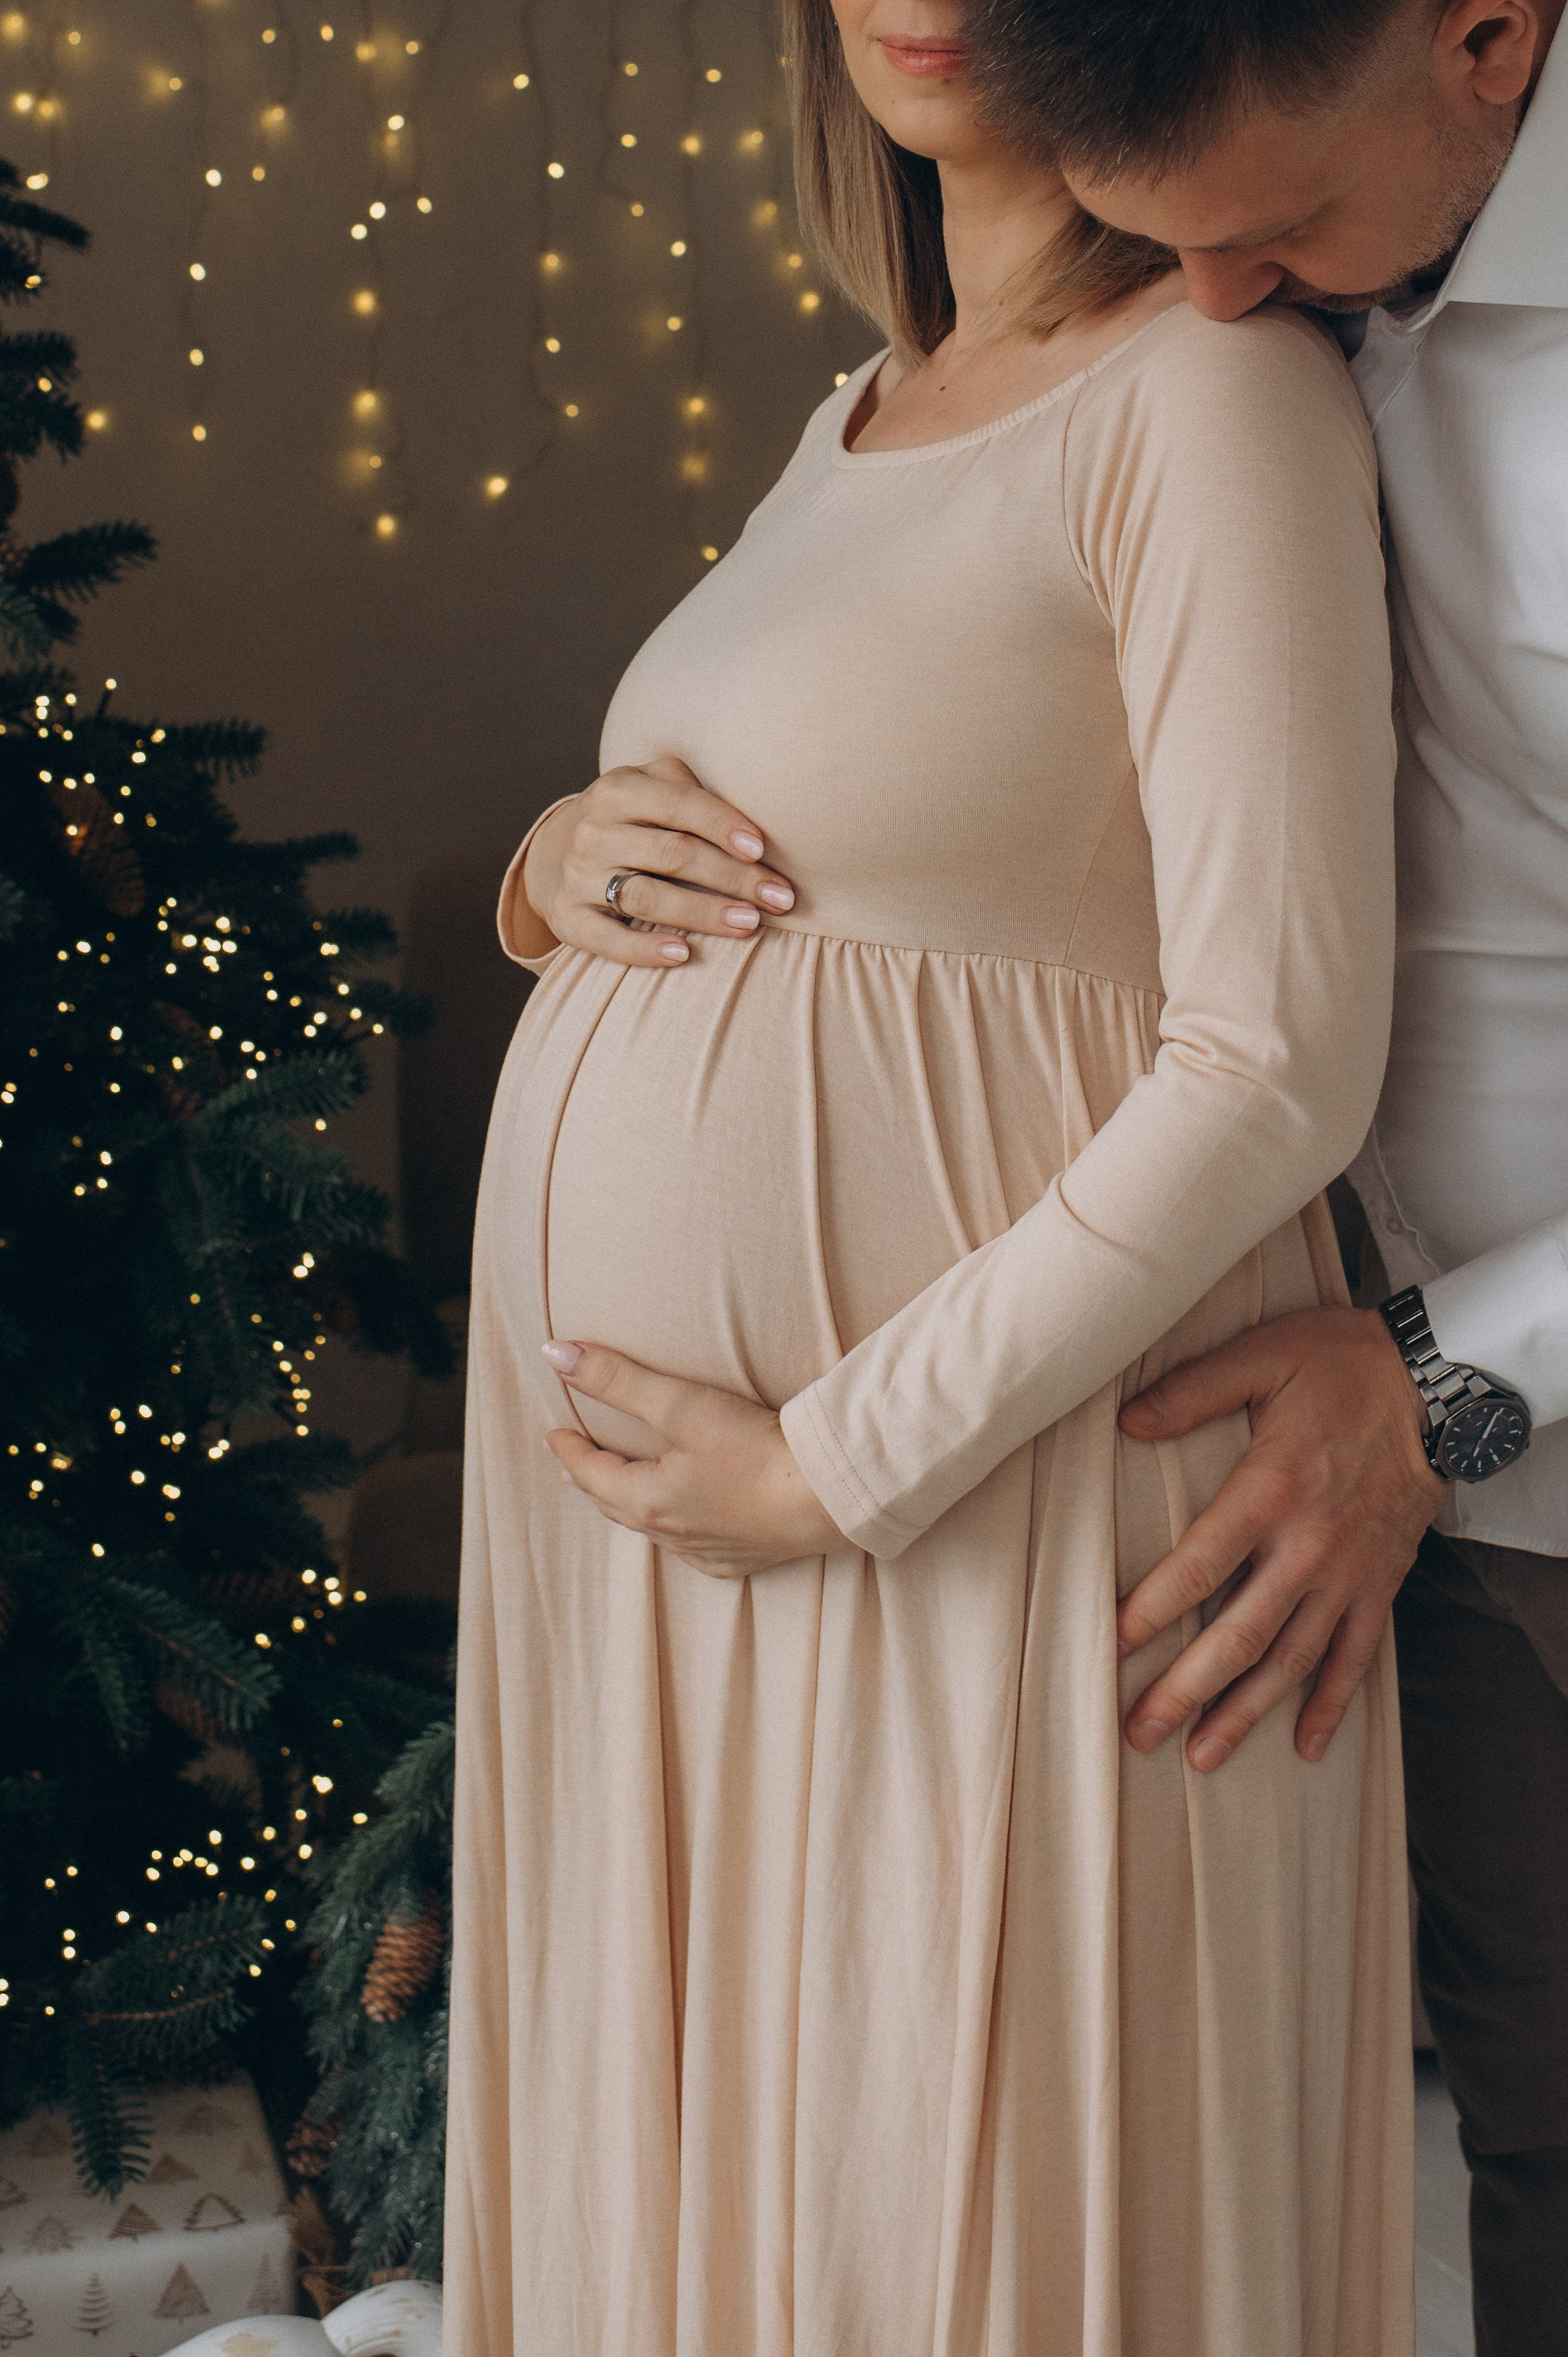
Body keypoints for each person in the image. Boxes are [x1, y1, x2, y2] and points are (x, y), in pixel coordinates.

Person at [444, 3, 1414, 2348]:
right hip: (715, 1579)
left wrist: (828, 1459)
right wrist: (555, 866)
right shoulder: (847, 419)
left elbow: (1283, 1054)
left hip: (982, 1513)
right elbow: (856, 822)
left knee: (955, 2221)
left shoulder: (1212, 397)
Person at [961, 0, 1568, 2344]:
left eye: (1276, 226)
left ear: (1487, 38)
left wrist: (1442, 1388)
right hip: (1370, 1469)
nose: (1221, 301)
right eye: (1170, 245)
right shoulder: (1237, 294)